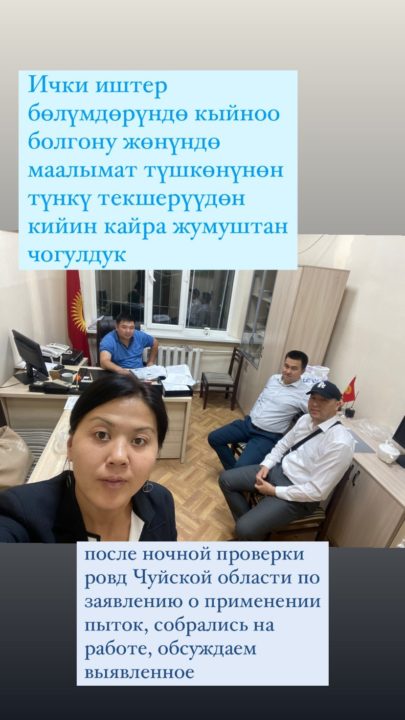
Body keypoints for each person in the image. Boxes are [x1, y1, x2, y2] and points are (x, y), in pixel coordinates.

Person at [0, 374, 177, 542]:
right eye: (101, 435)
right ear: (70, 445)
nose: (118, 457)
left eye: (139, 440)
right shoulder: (20, 512)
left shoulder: (161, 501)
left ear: (157, 453)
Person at [219, 380, 355, 540]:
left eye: (323, 400)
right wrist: (267, 465)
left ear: (338, 404)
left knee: (243, 529)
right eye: (313, 398)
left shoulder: (339, 442)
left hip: (299, 495)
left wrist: (274, 491)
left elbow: (316, 491)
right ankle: (254, 531)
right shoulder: (305, 419)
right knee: (226, 479)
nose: (315, 404)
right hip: (277, 471)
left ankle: (250, 531)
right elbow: (283, 444)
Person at [208, 350, 310, 470]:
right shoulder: (274, 379)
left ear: (303, 371)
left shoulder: (305, 393)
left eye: (294, 368)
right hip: (248, 424)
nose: (288, 371)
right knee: (214, 438)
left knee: (241, 467)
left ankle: (234, 474)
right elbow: (262, 398)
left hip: (266, 436)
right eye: (286, 366)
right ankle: (232, 473)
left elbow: (315, 415)